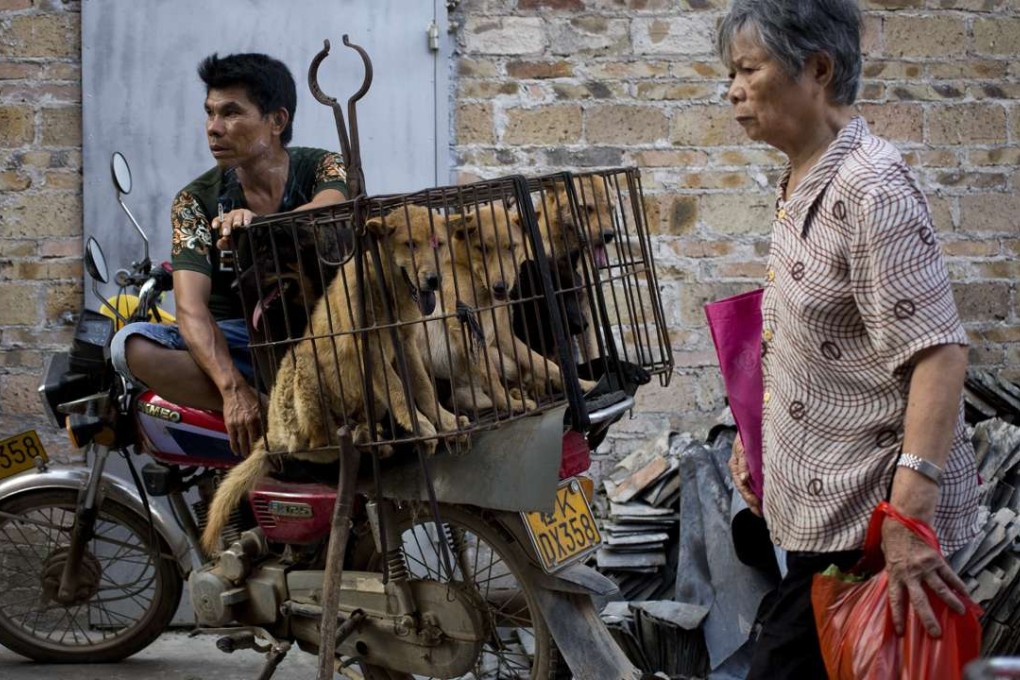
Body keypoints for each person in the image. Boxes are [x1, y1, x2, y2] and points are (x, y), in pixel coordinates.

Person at [716, 0, 981, 676]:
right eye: (730, 73)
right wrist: (760, 446)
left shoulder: (871, 189)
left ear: (818, 69)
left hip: (868, 527)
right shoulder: (805, 177)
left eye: (748, 69)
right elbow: (811, 341)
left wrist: (907, 521)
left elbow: (939, 353)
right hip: (823, 517)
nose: (733, 90)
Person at [110, 52, 348, 457]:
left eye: (231, 113)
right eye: (209, 113)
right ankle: (271, 415)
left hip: (320, 330)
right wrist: (232, 389)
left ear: (277, 121)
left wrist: (258, 226)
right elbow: (190, 309)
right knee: (129, 345)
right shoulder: (194, 201)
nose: (213, 129)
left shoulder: (323, 165)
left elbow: (331, 207)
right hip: (241, 345)